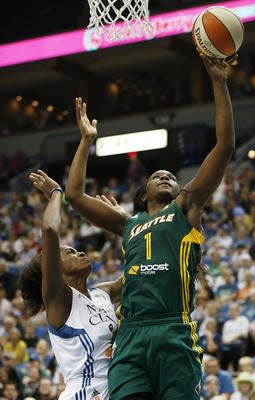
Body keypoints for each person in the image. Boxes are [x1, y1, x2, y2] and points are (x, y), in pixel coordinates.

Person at [65, 52, 236, 400]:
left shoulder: (186, 207)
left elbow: (224, 146)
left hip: (172, 327)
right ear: (143, 196)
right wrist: (86, 141)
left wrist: (218, 83)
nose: (165, 176)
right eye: (158, 175)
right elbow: (75, 195)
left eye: (171, 176)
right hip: (130, 333)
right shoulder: (129, 223)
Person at [18, 171, 122, 400]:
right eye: (71, 253)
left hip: (116, 390)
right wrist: (56, 194)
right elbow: (50, 230)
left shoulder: (101, 294)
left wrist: (126, 225)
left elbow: (139, 273)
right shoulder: (59, 301)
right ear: (56, 268)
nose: (81, 252)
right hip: (83, 394)